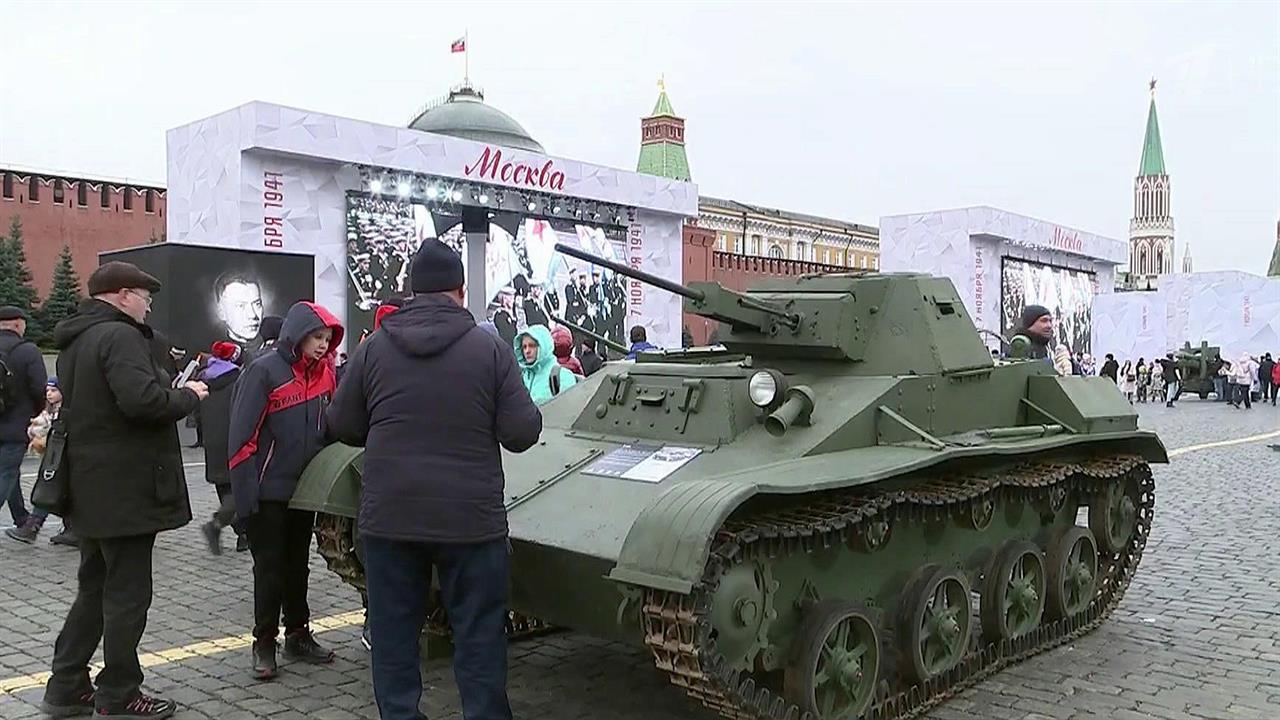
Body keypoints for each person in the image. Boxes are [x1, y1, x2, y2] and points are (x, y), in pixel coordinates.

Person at [326, 238, 543, 720]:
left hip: (390, 518)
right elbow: (522, 432)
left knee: (393, 636)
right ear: (460, 291)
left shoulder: (374, 348)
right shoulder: (490, 349)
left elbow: (340, 425)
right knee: (480, 636)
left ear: (410, 291)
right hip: (470, 522)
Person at [43, 262, 209, 719]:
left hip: (93, 487)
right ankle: (119, 692)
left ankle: (66, 685)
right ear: (119, 296)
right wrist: (190, 395)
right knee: (127, 596)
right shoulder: (119, 337)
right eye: (143, 294)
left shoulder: (78, 341)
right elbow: (143, 402)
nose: (149, 303)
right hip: (127, 490)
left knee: (94, 589)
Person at [228, 301, 344, 680]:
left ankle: (298, 633)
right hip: (268, 491)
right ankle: (264, 641)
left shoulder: (327, 375)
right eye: (317, 337)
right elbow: (242, 437)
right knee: (270, 569)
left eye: (328, 339)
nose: (323, 345)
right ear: (298, 335)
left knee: (299, 566)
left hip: (306, 489)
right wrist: (244, 500)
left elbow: (331, 428)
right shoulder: (263, 371)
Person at [6, 378, 77, 546]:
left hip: (62, 455)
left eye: (53, 390)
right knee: (57, 486)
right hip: (59, 454)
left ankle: (34, 524)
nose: (49, 394)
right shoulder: (50, 411)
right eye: (47, 391)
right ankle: (68, 528)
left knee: (51, 485)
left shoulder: (64, 411)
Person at [198, 343, 249, 555]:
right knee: (239, 487)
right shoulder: (238, 380)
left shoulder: (203, 380)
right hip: (233, 440)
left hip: (212, 440)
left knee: (224, 486)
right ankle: (217, 525)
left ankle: (242, 535)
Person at [0, 306, 46, 537]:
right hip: (15, 424)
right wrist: (36, 413)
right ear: (18, 324)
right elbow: (39, 388)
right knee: (6, 473)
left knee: (10, 473)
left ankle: (21, 518)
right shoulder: (28, 351)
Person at [517, 325, 577, 405]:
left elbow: (571, 410)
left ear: (543, 346)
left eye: (532, 345)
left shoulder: (563, 376)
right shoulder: (522, 378)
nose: (527, 351)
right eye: (524, 347)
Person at [1014, 305, 1071, 375]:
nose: (1049, 325)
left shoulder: (1041, 346)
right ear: (1030, 323)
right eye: (1044, 321)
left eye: (1050, 321)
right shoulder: (1021, 346)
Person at [213, 271, 265, 346]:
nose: (252, 315)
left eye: (257, 304)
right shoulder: (210, 356)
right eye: (241, 306)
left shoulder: (278, 346)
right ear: (221, 312)